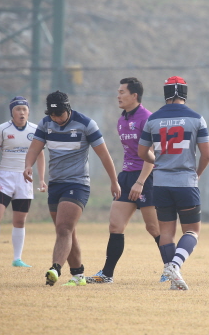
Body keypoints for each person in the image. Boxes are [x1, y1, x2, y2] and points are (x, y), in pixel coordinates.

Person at [23, 90, 121, 286]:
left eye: (59, 114)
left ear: (68, 109)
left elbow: (104, 155)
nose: (56, 118)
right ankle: (78, 274)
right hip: (55, 185)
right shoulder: (45, 124)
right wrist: (28, 165)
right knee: (67, 231)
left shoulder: (86, 124)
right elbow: (34, 148)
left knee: (64, 228)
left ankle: (55, 269)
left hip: (77, 184)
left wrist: (114, 181)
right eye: (52, 115)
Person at [138, 76, 209, 290]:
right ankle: (175, 266)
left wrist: (157, 161)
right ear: (185, 93)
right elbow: (207, 155)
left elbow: (142, 152)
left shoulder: (153, 119)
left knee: (166, 233)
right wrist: (197, 174)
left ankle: (174, 280)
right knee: (192, 231)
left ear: (166, 93)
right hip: (186, 182)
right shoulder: (196, 118)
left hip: (160, 183)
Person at [86, 78, 160, 284]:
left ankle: (172, 269)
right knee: (115, 226)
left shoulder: (147, 118)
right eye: (118, 92)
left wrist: (140, 182)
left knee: (154, 228)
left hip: (145, 177)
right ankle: (107, 274)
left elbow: (151, 155)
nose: (118, 96)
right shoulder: (122, 120)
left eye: (122, 92)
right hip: (126, 176)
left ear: (134, 95)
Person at [0, 96, 46, 268]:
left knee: (20, 220)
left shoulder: (36, 130)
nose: (22, 112)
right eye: (18, 109)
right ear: (12, 112)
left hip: (25, 179)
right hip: (5, 177)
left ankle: (17, 258)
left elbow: (40, 155)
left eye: (24, 109)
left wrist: (41, 179)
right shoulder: (1, 130)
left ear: (28, 112)